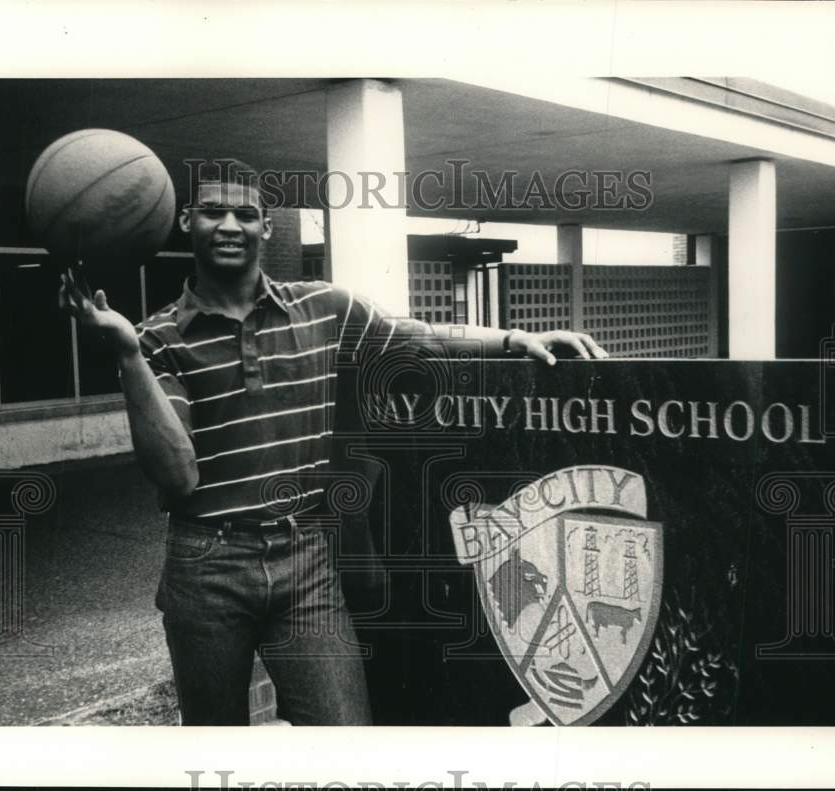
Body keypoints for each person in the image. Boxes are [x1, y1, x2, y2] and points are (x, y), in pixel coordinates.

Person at [58, 164, 607, 726]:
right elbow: (177, 475)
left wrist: (516, 338)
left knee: (345, 736)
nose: (230, 225)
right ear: (185, 222)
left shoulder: (324, 307)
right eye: (213, 212)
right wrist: (126, 354)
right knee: (213, 740)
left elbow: (417, 336)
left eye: (246, 215)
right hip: (207, 566)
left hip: (306, 561)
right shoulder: (156, 339)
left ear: (267, 228)